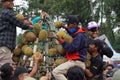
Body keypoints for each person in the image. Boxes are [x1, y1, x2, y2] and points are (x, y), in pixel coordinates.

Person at [52, 15, 87, 80]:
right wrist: (65, 27)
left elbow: (71, 48)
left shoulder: (80, 36)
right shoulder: (78, 33)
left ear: (74, 24)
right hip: (75, 62)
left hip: (76, 62)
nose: (67, 26)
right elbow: (72, 34)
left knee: (56, 72)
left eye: (68, 24)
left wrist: (61, 41)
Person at [0, 0, 33, 67]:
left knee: (6, 67)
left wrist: (25, 20)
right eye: (9, 1)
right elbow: (18, 23)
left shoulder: (6, 13)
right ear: (3, 3)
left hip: (5, 46)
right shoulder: (6, 13)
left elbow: (16, 19)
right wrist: (31, 27)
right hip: (5, 45)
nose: (11, 2)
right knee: (5, 68)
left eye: (12, 1)